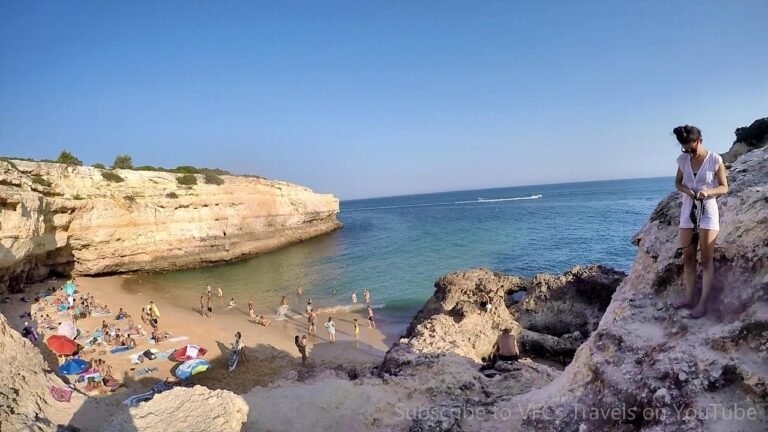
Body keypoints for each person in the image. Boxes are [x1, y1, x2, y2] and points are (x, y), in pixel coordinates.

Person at [672, 125, 728, 319]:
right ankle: (689, 298)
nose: (689, 151)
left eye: (691, 147)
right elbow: (678, 182)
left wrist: (708, 191)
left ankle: (703, 304)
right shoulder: (682, 160)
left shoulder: (714, 159)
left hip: (708, 213)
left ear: (699, 140)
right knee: (688, 257)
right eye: (685, 148)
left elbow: (724, 187)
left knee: (705, 260)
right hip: (688, 211)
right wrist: (687, 191)